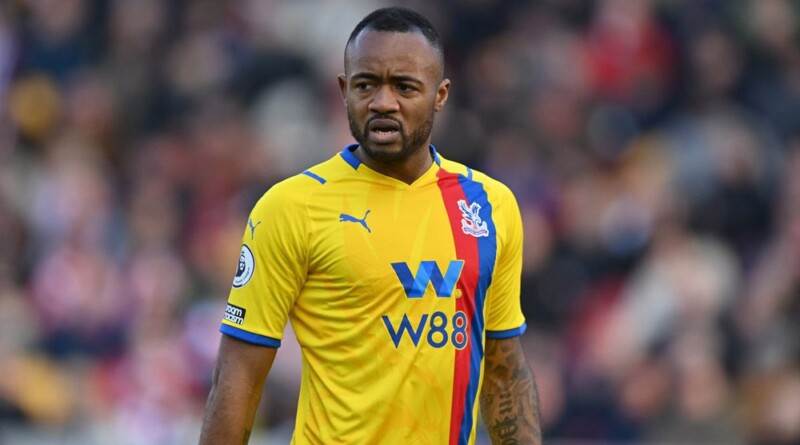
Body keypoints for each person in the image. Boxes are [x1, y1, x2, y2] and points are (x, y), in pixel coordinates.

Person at [199, 6, 542, 445]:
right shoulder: (290, 208)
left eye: (404, 86)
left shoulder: (491, 206)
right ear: (344, 91)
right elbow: (239, 375)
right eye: (366, 85)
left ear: (440, 95)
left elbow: (503, 368)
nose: (383, 102)